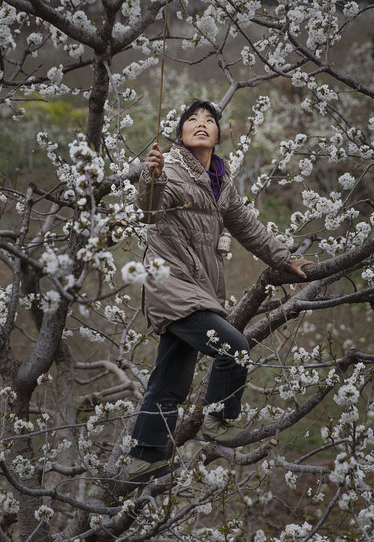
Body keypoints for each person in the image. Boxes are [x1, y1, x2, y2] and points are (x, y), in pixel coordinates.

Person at [126, 99, 312, 482]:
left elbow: (248, 227)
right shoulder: (171, 169)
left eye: (209, 120)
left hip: (198, 287)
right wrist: (152, 176)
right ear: (179, 133)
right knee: (235, 347)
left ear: (218, 134)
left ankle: (144, 456)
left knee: (169, 380)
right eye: (191, 119)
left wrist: (285, 259)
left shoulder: (221, 181)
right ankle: (219, 419)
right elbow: (146, 210)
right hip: (170, 283)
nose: (200, 123)